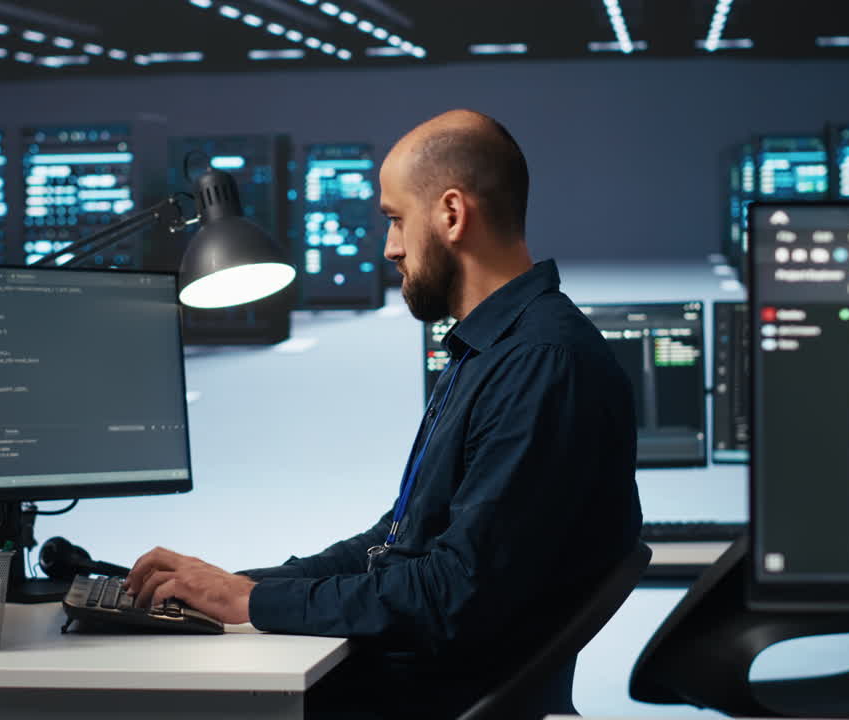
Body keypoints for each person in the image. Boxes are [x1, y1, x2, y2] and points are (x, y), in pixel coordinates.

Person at [123, 109, 642, 718]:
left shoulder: (541, 364)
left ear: (451, 214)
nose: (390, 247)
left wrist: (253, 602)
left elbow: (451, 595)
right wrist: (236, 587)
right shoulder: (493, 351)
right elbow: (395, 541)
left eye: (396, 220)